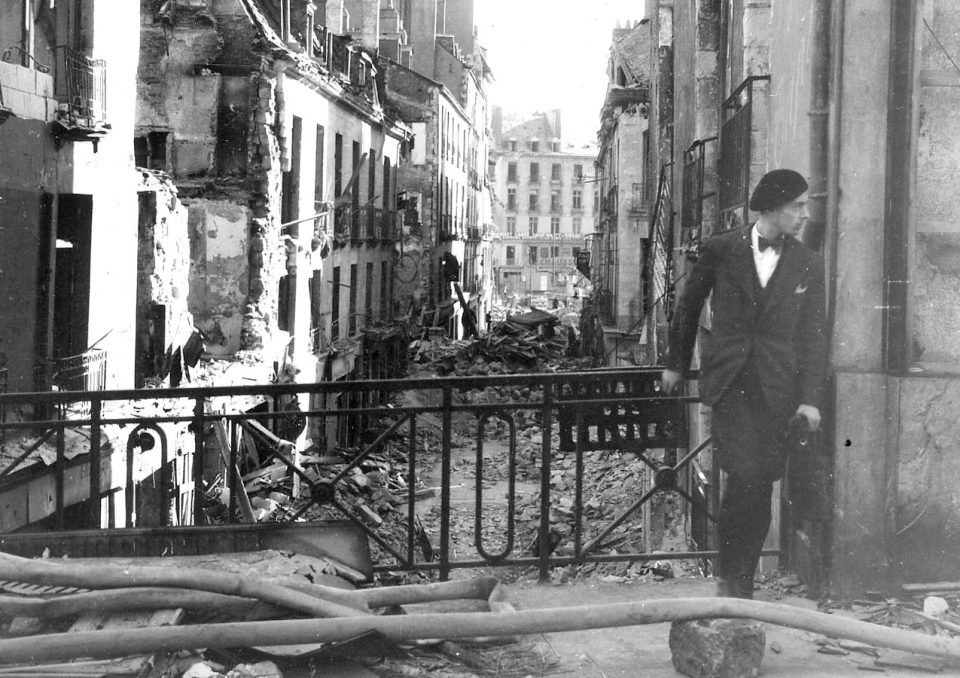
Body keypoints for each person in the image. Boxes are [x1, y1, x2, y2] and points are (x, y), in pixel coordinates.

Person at [661, 169, 827, 599]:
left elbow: (814, 337)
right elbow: (688, 305)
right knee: (742, 477)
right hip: (732, 384)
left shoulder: (808, 262)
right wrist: (676, 364)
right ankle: (735, 580)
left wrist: (810, 400)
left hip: (778, 391)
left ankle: (737, 578)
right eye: (797, 206)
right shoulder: (721, 249)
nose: (805, 214)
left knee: (760, 482)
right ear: (771, 207)